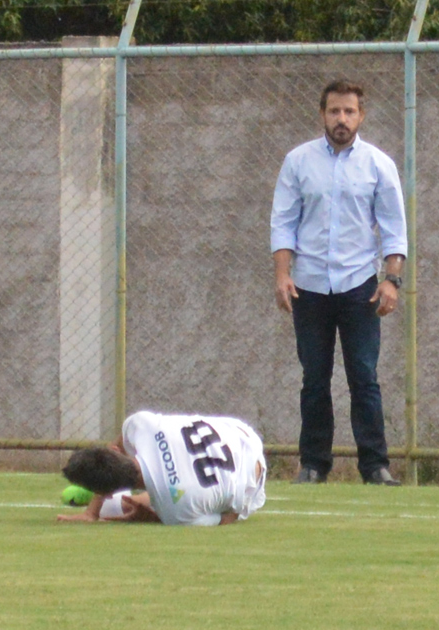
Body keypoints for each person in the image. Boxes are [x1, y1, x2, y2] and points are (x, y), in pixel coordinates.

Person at [271, 79, 407, 486]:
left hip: (359, 286)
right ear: (323, 114)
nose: (341, 119)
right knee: (314, 377)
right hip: (309, 286)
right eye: (334, 111)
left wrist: (392, 280)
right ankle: (313, 465)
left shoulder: (379, 165)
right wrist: (282, 274)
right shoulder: (298, 162)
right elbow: (283, 222)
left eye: (349, 111)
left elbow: (394, 227)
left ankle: (375, 466)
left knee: (363, 376)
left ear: (361, 116)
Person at [57, 410, 267, 526]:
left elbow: (228, 518)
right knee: (171, 493)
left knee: (112, 509)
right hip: (238, 432)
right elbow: (116, 445)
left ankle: (112, 497)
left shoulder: (175, 514)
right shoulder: (140, 425)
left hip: (252, 479)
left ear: (109, 491)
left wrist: (153, 517)